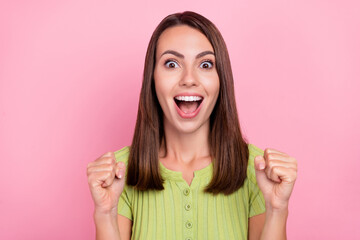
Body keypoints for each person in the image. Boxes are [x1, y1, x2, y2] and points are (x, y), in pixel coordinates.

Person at [87, 11, 298, 240]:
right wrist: (105, 214)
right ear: (153, 79)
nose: (189, 78)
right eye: (172, 63)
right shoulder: (120, 173)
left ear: (221, 80)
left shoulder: (257, 171)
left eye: (205, 64)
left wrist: (278, 210)